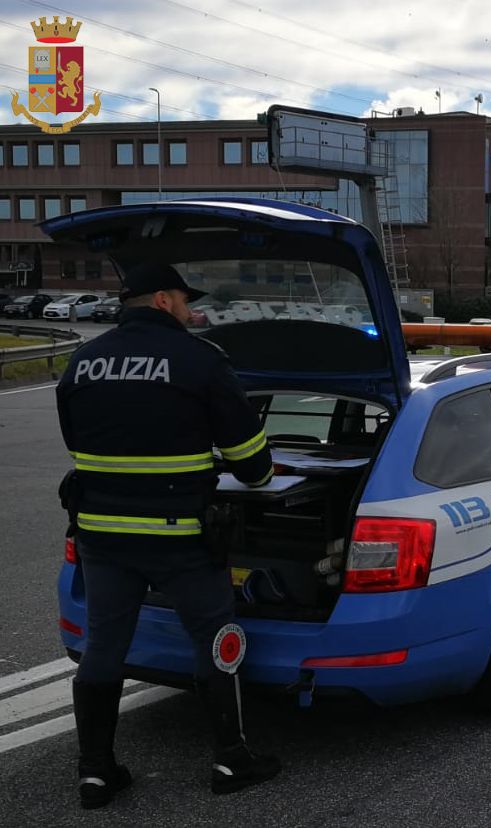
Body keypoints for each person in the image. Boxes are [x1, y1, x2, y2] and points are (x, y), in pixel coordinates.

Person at [55, 263, 280, 808]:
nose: (189, 308)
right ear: (161, 300)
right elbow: (253, 465)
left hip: (102, 536)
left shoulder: (81, 364)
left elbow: (78, 446)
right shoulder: (199, 361)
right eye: (183, 299)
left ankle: (96, 772)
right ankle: (231, 759)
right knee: (215, 639)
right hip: (179, 537)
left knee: (104, 646)